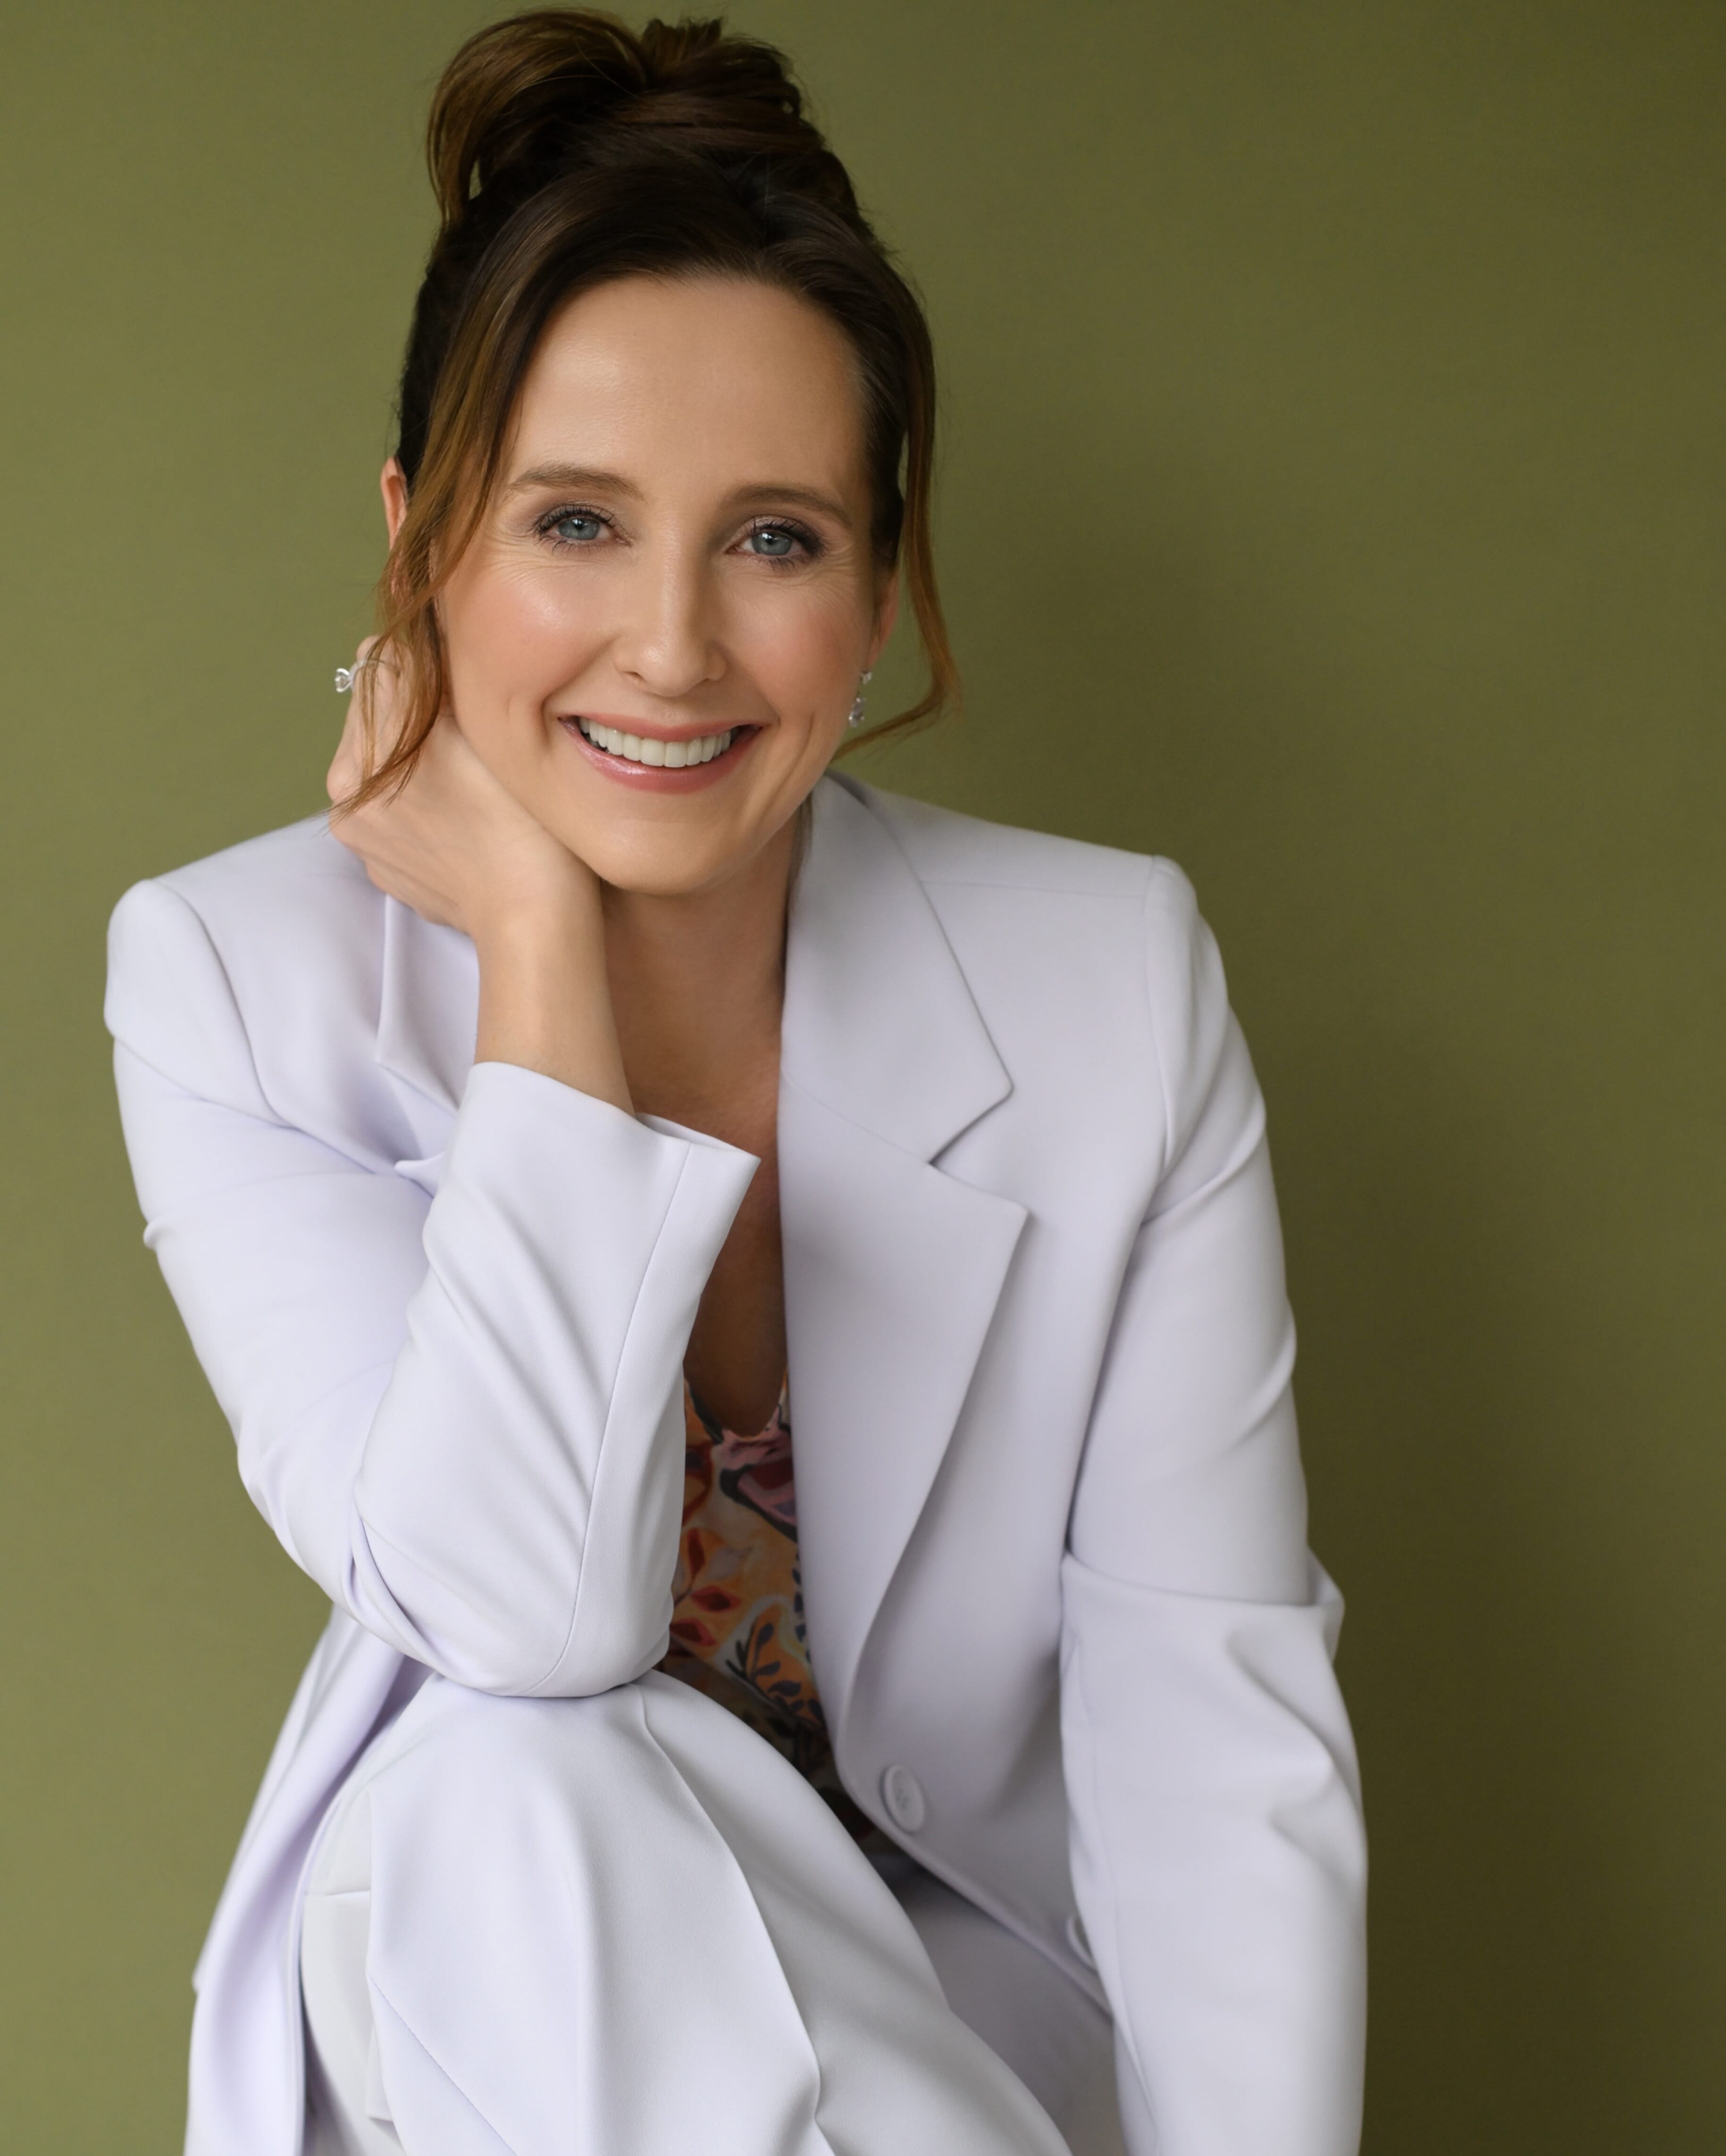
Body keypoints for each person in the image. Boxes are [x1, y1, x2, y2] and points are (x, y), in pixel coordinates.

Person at [105, 13, 1366, 2154]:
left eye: (773, 539)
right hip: (502, 1985)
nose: (675, 647)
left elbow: (1210, 1727)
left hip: (970, 2018)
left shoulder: (1106, 977)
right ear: (418, 547)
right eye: (575, 523)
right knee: (511, 1773)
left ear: (876, 587)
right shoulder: (234, 979)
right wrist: (536, 952)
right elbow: (523, 1618)